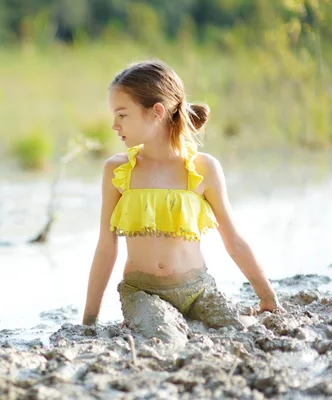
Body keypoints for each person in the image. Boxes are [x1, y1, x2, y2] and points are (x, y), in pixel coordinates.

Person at [82, 60, 284, 333]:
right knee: (164, 335)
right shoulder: (117, 170)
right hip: (143, 293)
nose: (114, 125)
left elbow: (234, 241)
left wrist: (267, 298)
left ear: (156, 112)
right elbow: (106, 248)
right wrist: (88, 321)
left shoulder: (203, 168)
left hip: (198, 290)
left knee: (240, 330)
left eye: (122, 115)